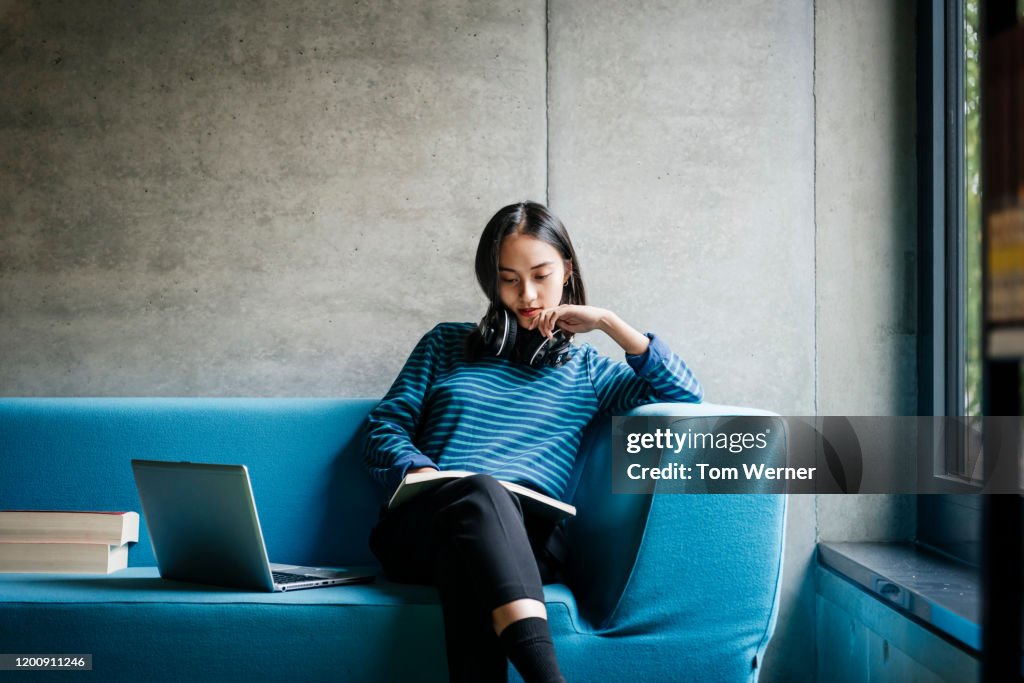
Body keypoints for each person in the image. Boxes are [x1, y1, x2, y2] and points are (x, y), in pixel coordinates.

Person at [362, 201, 703, 682]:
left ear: (566, 270)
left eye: (541, 275)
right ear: (490, 281)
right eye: (508, 279)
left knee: (468, 559)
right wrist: (416, 469)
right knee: (479, 493)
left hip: (525, 542)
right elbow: (383, 427)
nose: (527, 295)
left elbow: (685, 395)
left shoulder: (588, 372)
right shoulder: (444, 344)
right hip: (426, 522)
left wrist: (609, 323)